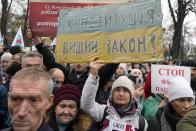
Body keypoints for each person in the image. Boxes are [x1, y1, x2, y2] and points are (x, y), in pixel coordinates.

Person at [81, 60, 148, 131]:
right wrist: (93, 77)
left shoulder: (141, 122)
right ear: (112, 93)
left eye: (125, 91)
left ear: (131, 95)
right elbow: (86, 105)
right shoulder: (103, 112)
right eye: (117, 90)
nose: (121, 94)